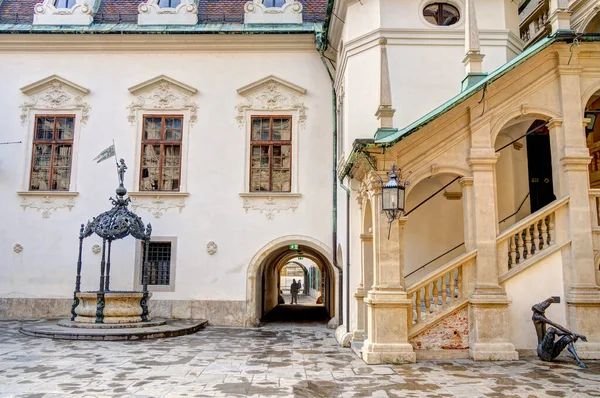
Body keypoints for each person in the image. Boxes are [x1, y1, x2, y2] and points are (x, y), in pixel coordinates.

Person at [532, 297, 587, 368]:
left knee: (568, 338)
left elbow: (558, 332)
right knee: (551, 329)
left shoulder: (540, 315)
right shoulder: (537, 316)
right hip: (542, 351)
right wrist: (574, 334)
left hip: (551, 352)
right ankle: (572, 339)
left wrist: (575, 334)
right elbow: (555, 325)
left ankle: (578, 361)